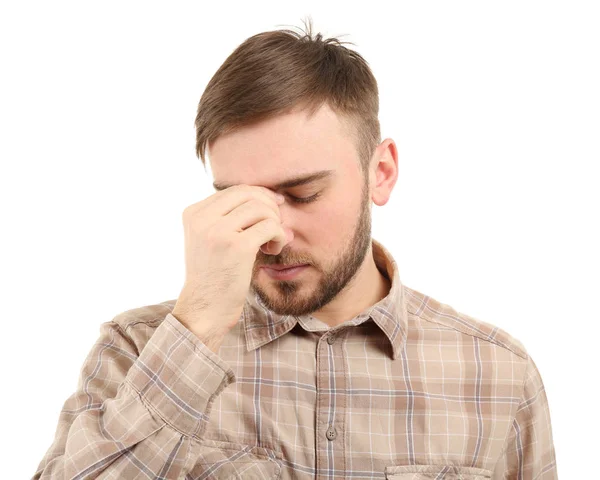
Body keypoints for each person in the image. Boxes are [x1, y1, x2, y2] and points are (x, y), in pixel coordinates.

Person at [32, 17, 558, 479]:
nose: (272, 235)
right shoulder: (135, 352)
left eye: (302, 194)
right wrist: (194, 328)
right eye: (240, 201)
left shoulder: (498, 374)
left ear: (381, 173)